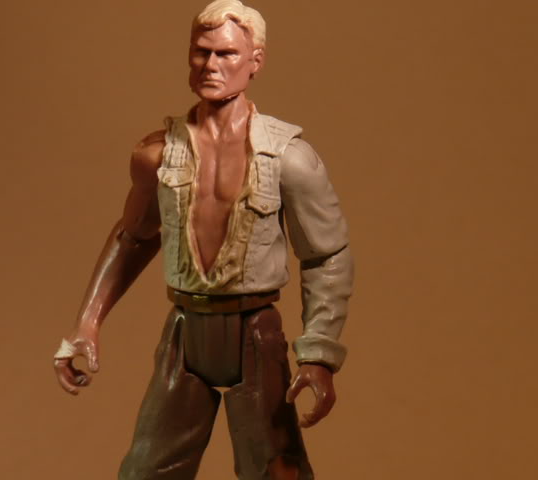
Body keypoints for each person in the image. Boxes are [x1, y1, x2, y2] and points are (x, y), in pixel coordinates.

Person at [53, 1, 353, 479]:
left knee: (277, 470)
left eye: (226, 54)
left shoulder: (288, 159)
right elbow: (133, 237)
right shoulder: (157, 154)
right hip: (185, 335)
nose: (212, 65)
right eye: (201, 52)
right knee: (146, 470)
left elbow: (326, 254)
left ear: (255, 61)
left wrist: (319, 353)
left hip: (255, 334)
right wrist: (87, 324)